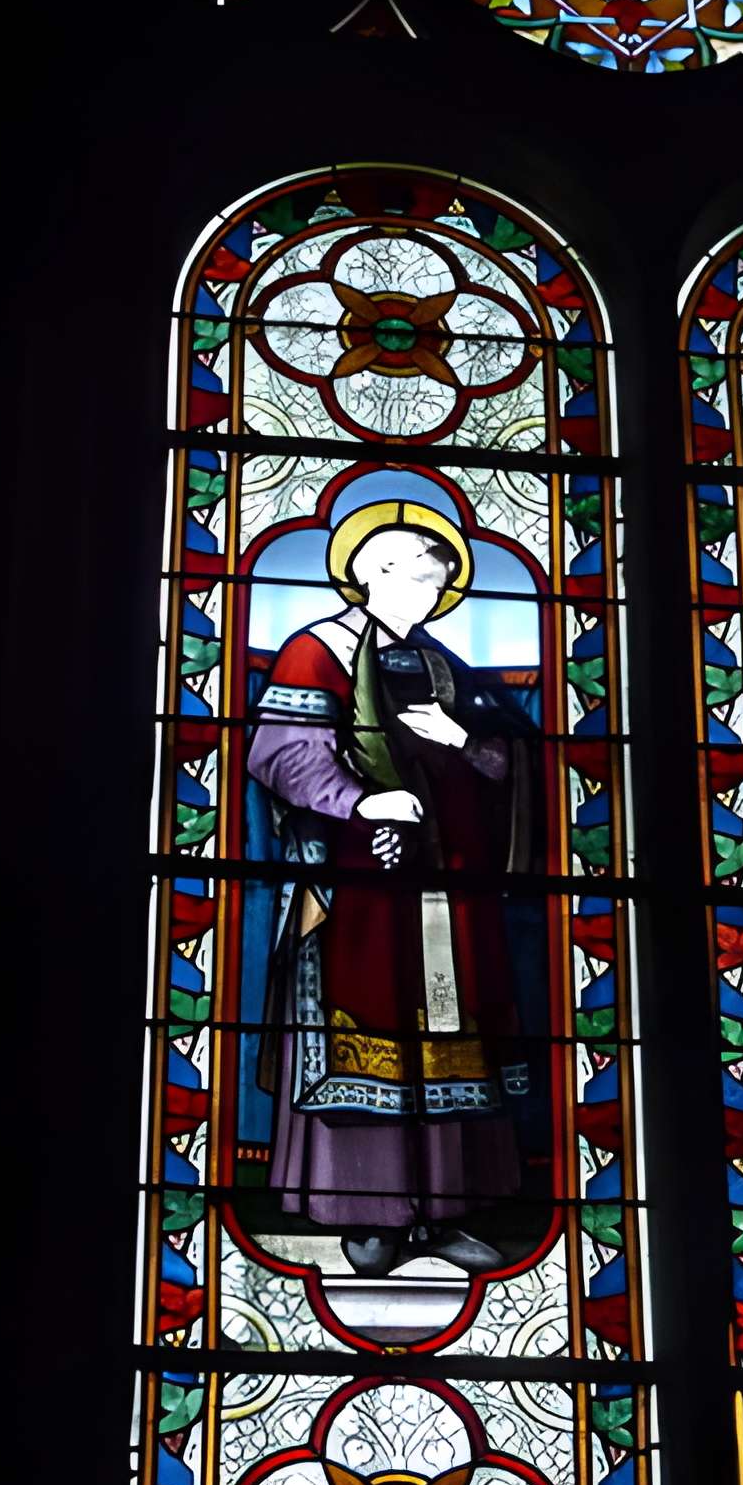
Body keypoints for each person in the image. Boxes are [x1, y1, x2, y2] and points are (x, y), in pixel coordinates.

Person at [247, 498, 536, 1277]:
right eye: (413, 575)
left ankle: (441, 1211)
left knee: (447, 1030)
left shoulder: (444, 665)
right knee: (364, 1022)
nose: (428, 590)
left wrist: (468, 740)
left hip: (447, 884)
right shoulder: (320, 651)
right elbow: (282, 753)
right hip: (357, 885)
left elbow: (510, 760)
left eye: (437, 580)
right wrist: (360, 800)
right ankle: (365, 1211)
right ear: (368, 575)